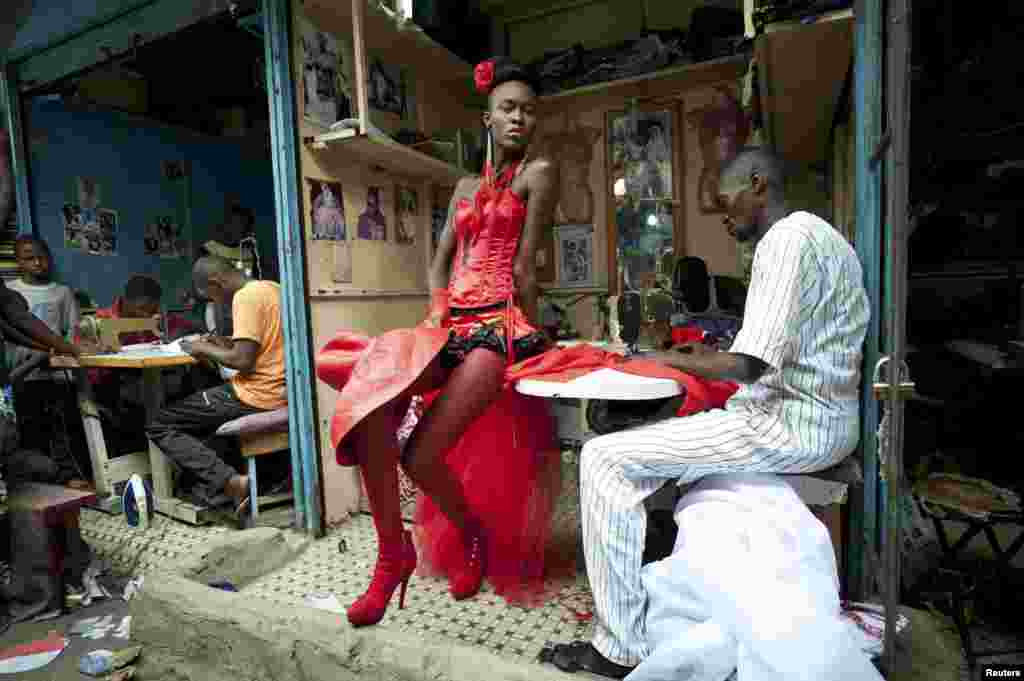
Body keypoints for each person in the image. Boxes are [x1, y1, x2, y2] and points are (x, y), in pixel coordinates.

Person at [546, 147, 870, 679]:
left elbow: (747, 364)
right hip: (830, 419)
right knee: (667, 439)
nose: (724, 215)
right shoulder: (825, 237)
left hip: (791, 426)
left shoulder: (783, 242)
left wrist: (662, 358)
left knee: (603, 457)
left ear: (758, 185)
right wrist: (697, 360)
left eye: (727, 202)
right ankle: (667, 572)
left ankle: (617, 648)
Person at [316, 56, 560, 627]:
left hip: (499, 326)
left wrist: (539, 334)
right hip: (452, 324)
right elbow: (438, 264)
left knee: (420, 452)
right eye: (508, 108)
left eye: (528, 109)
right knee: (372, 399)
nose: (519, 118)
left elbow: (524, 266)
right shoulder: (463, 186)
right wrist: (435, 313)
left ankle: (472, 537)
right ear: (488, 118)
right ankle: (391, 556)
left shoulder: (537, 173)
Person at [145, 256, 286, 513]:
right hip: (280, 390)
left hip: (256, 394)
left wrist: (202, 347)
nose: (215, 302)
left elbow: (242, 360)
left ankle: (231, 483)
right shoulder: (272, 288)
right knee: (198, 407)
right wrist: (224, 343)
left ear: (216, 283)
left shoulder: (245, 297)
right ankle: (220, 484)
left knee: (159, 423)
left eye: (211, 296)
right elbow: (263, 343)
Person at [7, 236, 81, 456]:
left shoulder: (62, 292)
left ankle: (66, 474)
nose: (37, 263)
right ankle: (41, 476)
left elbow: (74, 331)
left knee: (64, 427)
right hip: (23, 375)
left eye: (42, 257)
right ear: (18, 262)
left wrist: (65, 354)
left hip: (57, 373)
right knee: (29, 427)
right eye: (29, 258)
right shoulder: (10, 293)